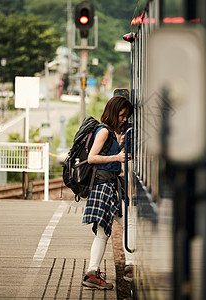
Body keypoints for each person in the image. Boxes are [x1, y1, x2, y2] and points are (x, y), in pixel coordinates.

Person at [82, 95, 134, 290]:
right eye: (121, 115)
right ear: (113, 112)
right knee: (129, 221)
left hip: (108, 186)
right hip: (104, 187)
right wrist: (117, 157)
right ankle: (131, 266)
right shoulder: (103, 131)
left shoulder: (110, 132)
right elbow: (92, 158)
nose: (124, 119)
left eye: (126, 116)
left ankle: (92, 273)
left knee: (103, 233)